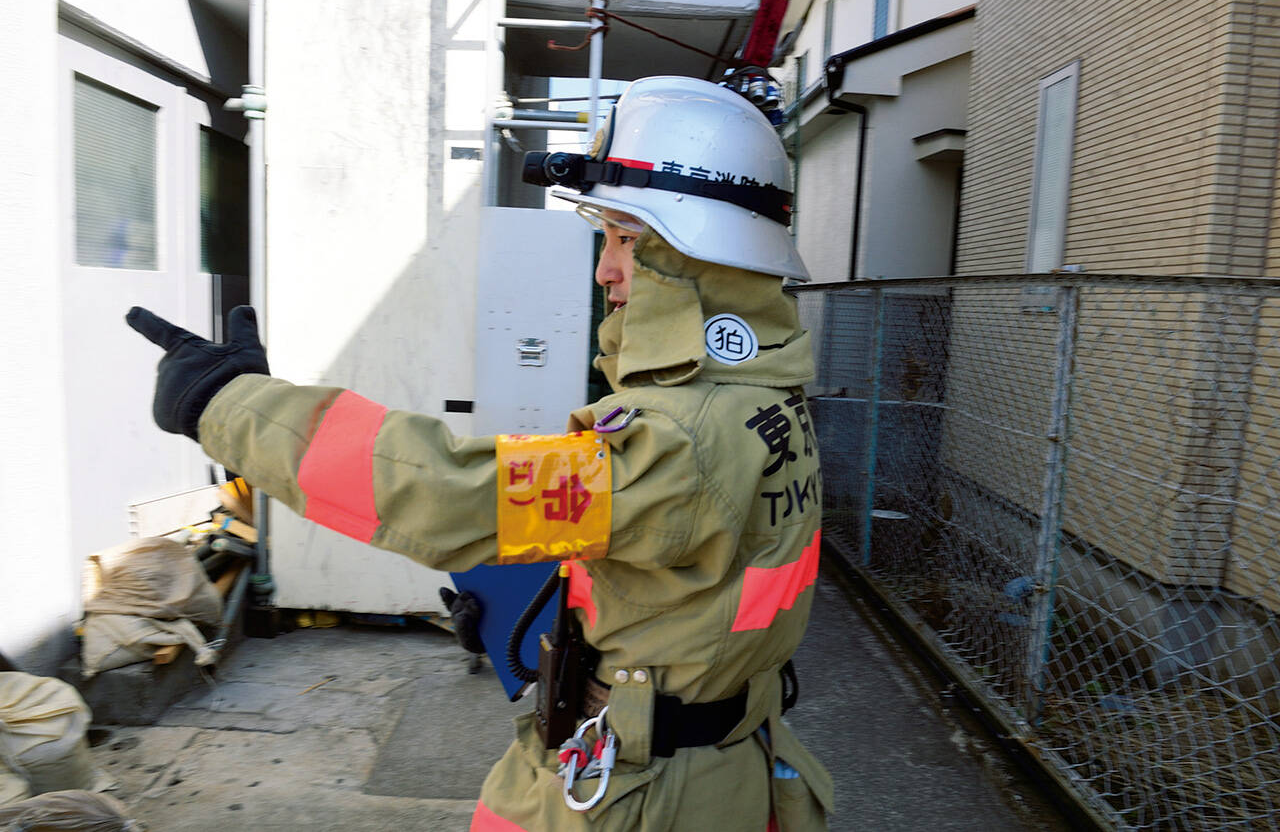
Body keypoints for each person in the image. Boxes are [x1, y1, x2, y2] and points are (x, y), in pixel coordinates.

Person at [128, 76, 832, 831]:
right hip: (714, 756)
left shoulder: (683, 434)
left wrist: (227, 404)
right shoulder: (761, 395)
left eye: (629, 239)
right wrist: (522, 612)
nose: (606, 269)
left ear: (702, 254)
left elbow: (447, 493)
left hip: (643, 794)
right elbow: (688, 572)